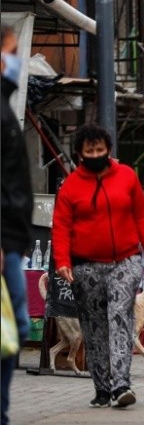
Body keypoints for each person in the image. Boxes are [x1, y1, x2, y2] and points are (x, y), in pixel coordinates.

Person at [51, 125, 144, 408]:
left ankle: (121, 384)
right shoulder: (70, 187)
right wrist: (62, 261)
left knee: (119, 317)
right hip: (86, 267)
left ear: (109, 150)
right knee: (94, 327)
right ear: (79, 154)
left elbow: (142, 217)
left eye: (100, 150)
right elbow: (61, 227)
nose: (95, 155)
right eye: (89, 151)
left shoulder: (127, 177)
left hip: (125, 261)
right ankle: (102, 387)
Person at [1, 25, 34, 425]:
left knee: (13, 332)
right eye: (10, 52)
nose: (15, 62)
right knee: (14, 331)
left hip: (12, 241)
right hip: (4, 242)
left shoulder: (5, 106)